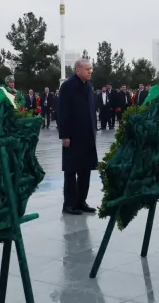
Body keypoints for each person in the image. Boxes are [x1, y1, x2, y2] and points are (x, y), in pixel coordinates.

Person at [58, 59, 98, 215]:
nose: (90, 71)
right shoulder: (67, 87)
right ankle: (69, 204)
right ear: (78, 70)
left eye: (91, 69)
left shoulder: (88, 87)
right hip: (73, 136)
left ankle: (81, 201)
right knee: (71, 170)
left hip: (87, 135)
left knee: (85, 169)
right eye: (87, 69)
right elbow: (63, 112)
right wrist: (65, 135)